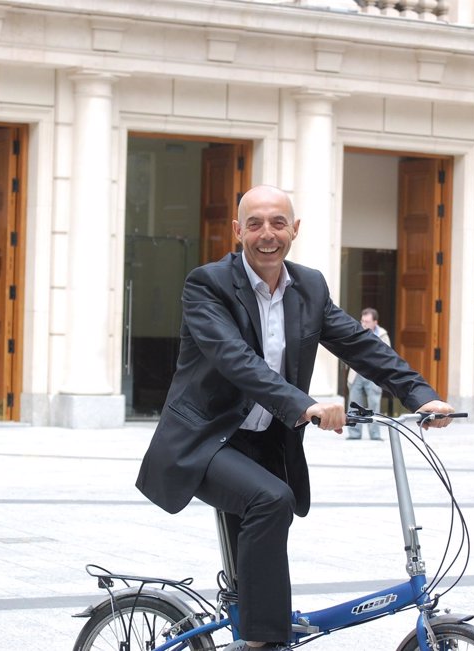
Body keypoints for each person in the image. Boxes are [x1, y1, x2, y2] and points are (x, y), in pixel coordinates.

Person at [135, 185, 454, 651]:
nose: (268, 234)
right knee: (271, 499)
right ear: (238, 230)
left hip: (264, 444)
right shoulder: (208, 284)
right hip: (205, 442)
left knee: (269, 511)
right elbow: (236, 359)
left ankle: (259, 622)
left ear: (295, 230)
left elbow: (359, 344)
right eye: (256, 223)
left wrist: (421, 395)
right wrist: (304, 404)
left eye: (278, 223)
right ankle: (262, 643)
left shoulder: (309, 286)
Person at [345, 307, 390, 441]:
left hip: (373, 374)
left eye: (367, 321)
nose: (364, 324)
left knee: (374, 403)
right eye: (362, 320)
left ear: (375, 322)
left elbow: (386, 354)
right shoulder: (356, 330)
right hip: (356, 372)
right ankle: (354, 433)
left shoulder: (382, 335)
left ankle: (375, 434)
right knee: (353, 402)